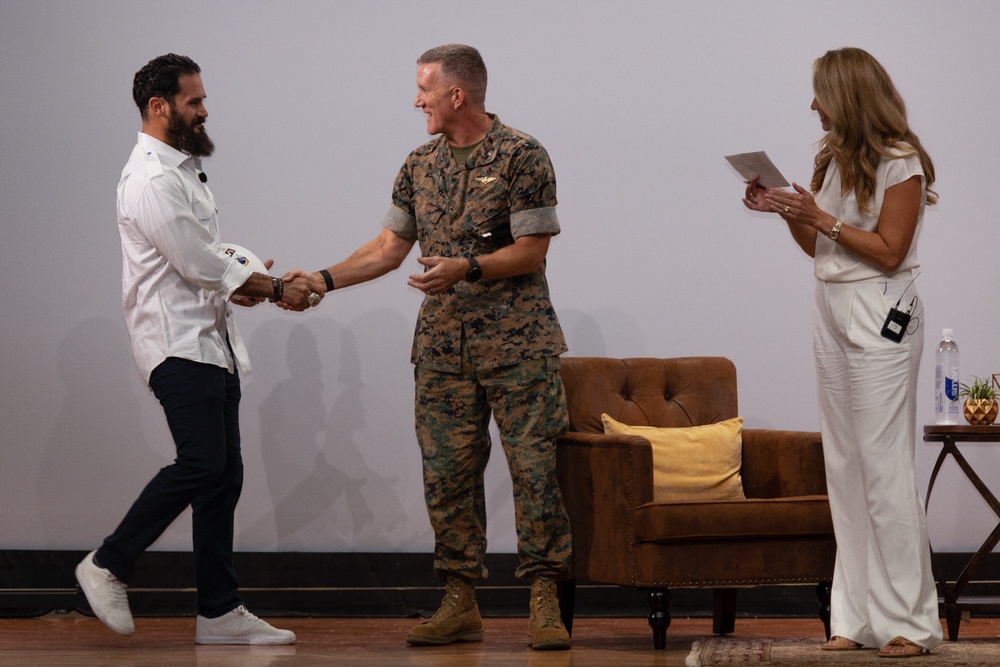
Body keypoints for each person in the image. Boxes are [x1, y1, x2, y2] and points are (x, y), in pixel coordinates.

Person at [282, 44, 572, 651]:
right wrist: (323, 280)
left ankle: (544, 600)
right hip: (443, 352)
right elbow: (389, 246)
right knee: (447, 477)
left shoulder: (523, 155)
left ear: (456, 95)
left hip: (518, 346)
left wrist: (466, 267)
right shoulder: (419, 163)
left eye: (425, 91)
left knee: (535, 473)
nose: (417, 101)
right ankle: (459, 600)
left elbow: (533, 249)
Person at [75, 53, 321, 645]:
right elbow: (197, 261)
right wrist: (278, 287)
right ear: (159, 107)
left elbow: (205, 261)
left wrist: (243, 282)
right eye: (194, 101)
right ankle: (108, 563)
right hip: (176, 344)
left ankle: (218, 612)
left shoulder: (180, 171)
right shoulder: (152, 179)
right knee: (203, 463)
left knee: (222, 476)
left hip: (211, 345)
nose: (205, 110)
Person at [742, 47, 942, 658]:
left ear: (848, 96)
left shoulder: (902, 163)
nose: (812, 107)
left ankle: (912, 621)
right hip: (831, 307)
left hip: (880, 309)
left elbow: (887, 249)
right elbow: (819, 249)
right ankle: (853, 617)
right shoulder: (831, 158)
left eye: (819, 95)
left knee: (884, 467)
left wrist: (820, 218)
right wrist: (785, 209)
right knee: (846, 467)